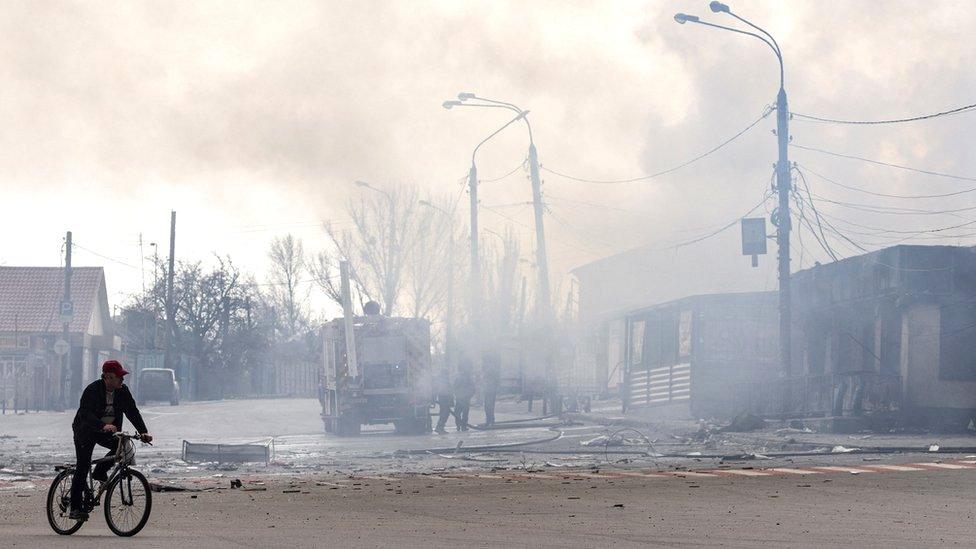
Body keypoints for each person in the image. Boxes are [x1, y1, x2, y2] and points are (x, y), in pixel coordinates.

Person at [69, 360, 153, 520]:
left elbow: (132, 411)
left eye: (122, 377)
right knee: (83, 465)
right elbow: (85, 414)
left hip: (107, 431)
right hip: (85, 431)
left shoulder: (122, 391)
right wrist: (103, 425)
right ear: (108, 377)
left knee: (120, 448)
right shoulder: (92, 390)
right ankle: (75, 507)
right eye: (119, 377)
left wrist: (143, 432)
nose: (122, 380)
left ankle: (100, 472)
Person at [482, 352, 501, 427]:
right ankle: (490, 420)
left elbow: (493, 379)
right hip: (490, 388)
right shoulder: (492, 367)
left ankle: (490, 420)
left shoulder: (489, 368)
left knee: (488, 405)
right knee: (489, 405)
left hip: (490, 389)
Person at [433, 370, 454, 434]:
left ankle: (440, 427)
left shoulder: (442, 380)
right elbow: (446, 391)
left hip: (444, 398)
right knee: (444, 414)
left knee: (444, 413)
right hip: (445, 399)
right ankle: (439, 428)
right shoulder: (443, 381)